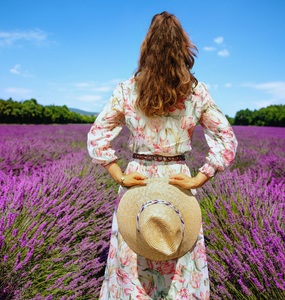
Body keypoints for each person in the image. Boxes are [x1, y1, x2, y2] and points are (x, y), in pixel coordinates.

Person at [87, 11, 238, 300]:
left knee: (133, 265)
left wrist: (118, 174)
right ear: (182, 47)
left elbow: (97, 134)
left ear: (147, 47)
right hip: (177, 182)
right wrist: (200, 178)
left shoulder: (128, 90)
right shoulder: (196, 92)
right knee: (177, 260)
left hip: (137, 183)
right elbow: (226, 139)